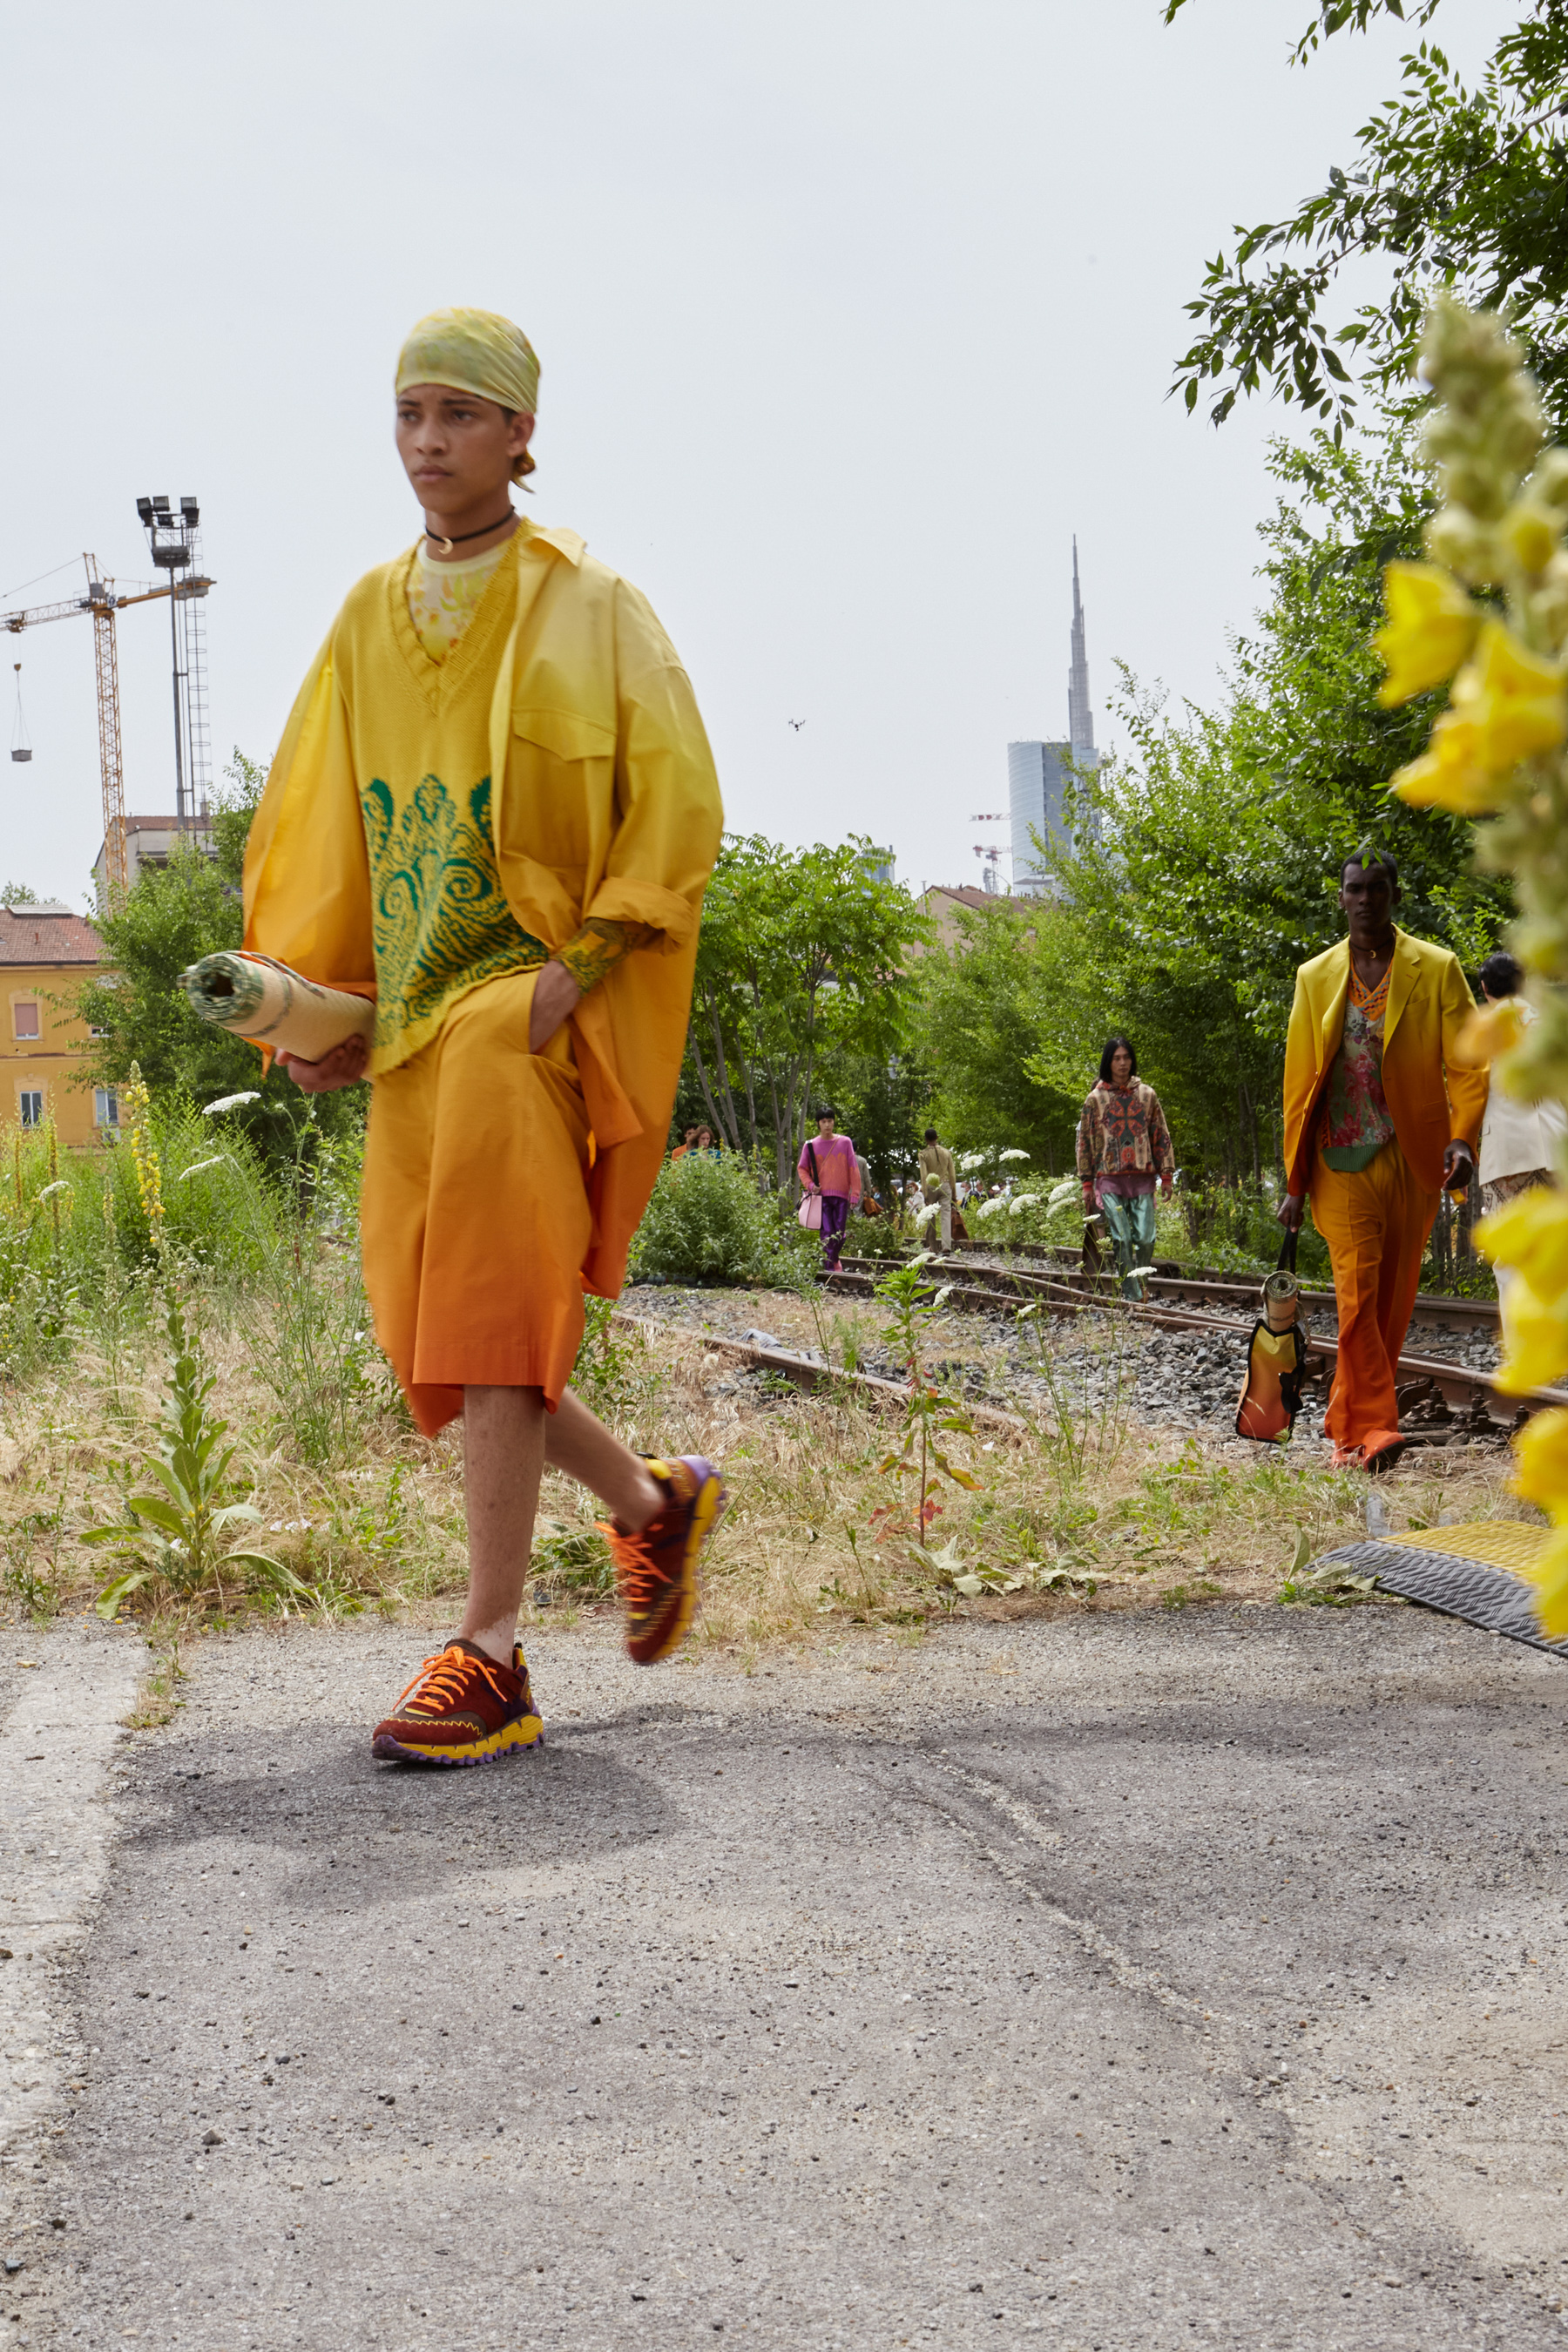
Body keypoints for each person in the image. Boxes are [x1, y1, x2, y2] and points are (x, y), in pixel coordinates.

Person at [242, 307, 726, 1765]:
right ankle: (655, 1506)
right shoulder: (362, 615)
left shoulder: (594, 603)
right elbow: (318, 824)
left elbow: (680, 802)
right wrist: (307, 1014)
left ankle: (494, 1649)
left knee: (494, 1318)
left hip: (522, 1013)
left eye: (460, 413)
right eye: (410, 414)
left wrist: (575, 973)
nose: (429, 441)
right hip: (405, 1023)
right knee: (446, 1337)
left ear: (522, 431)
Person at [1278, 852, 1487, 1473]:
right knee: (1357, 1293)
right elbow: (1297, 1084)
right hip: (1339, 1160)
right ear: (1340, 899)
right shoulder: (1315, 976)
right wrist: (1293, 1177)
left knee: (1392, 1301)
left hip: (1412, 1156)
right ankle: (1373, 1429)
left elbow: (1468, 1064)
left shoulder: (1437, 968)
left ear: (1395, 894)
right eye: (1354, 889)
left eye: (1376, 888)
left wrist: (1462, 1139)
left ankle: (1346, 1428)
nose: (1365, 898)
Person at [1076, 1037, 1174, 1298]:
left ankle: (1140, 1283)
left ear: (1132, 1060)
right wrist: (1087, 1183)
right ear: (1108, 1062)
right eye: (1116, 1058)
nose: (1122, 1063)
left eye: (1126, 1057)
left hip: (1142, 1175)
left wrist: (1166, 1176)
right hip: (1108, 1177)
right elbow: (1084, 1141)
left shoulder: (1147, 1095)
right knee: (1121, 1239)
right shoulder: (1094, 1099)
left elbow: (1160, 1134)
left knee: (1145, 1238)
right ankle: (1133, 1294)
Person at [1476, 950, 1567, 1219]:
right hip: (1558, 1144)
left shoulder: (1482, 1028)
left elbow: (1472, 1087)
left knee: (1511, 1249)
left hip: (1508, 1150)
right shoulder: (1553, 1023)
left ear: (1484, 987)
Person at [797, 1105, 861, 1269]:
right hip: (821, 1197)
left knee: (839, 1234)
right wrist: (810, 1185)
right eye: (823, 1121)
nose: (827, 1125)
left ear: (834, 1122)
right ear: (818, 1123)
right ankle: (830, 1268)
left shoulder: (845, 1142)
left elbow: (853, 1168)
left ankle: (833, 1260)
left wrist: (855, 1193)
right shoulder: (810, 1145)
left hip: (841, 1196)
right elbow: (802, 1168)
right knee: (826, 1233)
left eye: (830, 1121)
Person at [917, 1127, 957, 1250]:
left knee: (931, 1215)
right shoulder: (947, 1153)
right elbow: (952, 1174)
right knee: (945, 1215)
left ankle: (933, 1247)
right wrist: (954, 1194)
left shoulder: (923, 1154)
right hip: (945, 1185)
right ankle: (946, 1247)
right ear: (937, 1138)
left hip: (931, 1186)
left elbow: (924, 1175)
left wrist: (925, 1193)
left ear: (926, 1139)